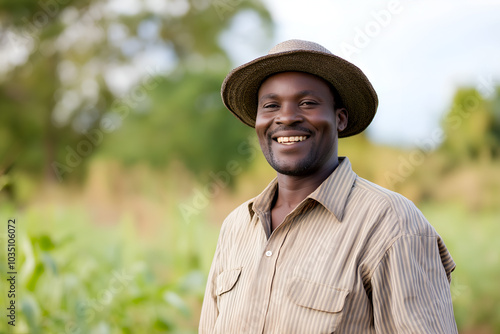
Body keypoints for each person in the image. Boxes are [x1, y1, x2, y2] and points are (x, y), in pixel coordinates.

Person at [199, 39, 457, 333]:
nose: (286, 117)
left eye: (307, 103)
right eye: (271, 105)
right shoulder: (236, 227)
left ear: (340, 119)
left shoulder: (391, 223)